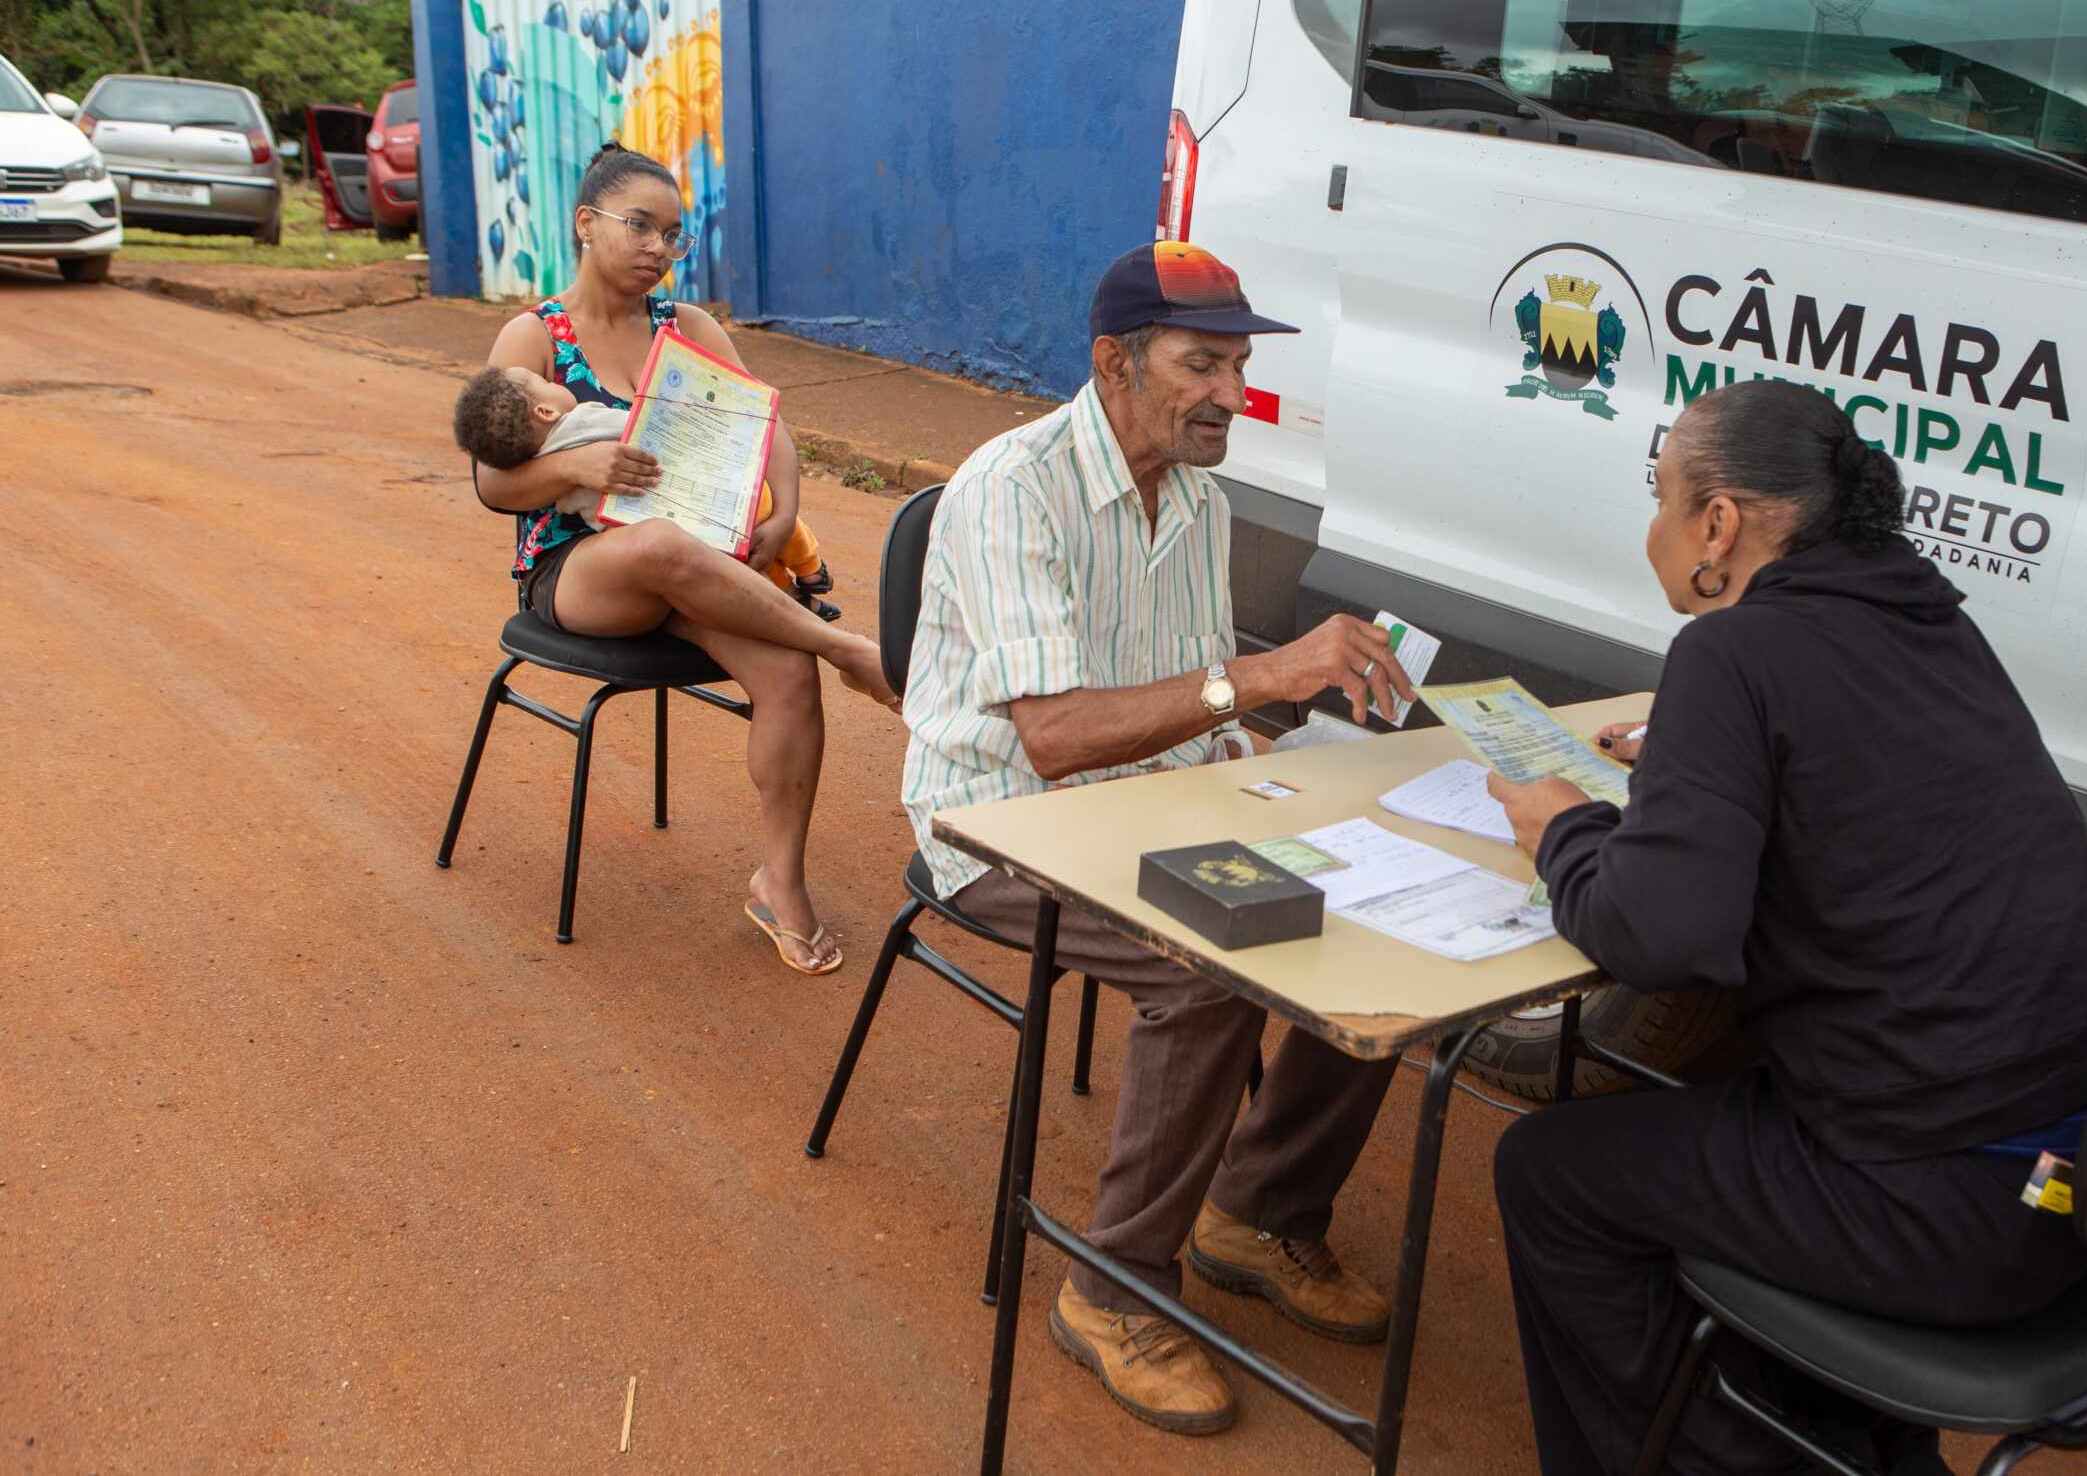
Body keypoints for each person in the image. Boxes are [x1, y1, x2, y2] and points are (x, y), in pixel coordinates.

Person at [1484, 380, 2087, 1476]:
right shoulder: (1929, 622)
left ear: (1719, 524)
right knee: (1730, 1116)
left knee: (1550, 1176)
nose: (1652, 526)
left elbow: (1654, 937)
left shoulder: (1730, 655)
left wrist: (1565, 829)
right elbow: (1871, 783)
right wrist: (1705, 771)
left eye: (1660, 496)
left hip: (1945, 1206)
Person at [900, 240, 1419, 1436]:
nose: (1231, 397)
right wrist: (1263, 679)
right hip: (998, 824)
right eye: (1202, 365)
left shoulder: (1200, 497)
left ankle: (1257, 1209)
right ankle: (1112, 1287)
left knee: (1366, 904)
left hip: (1150, 808)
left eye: (1238, 367)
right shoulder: (1009, 486)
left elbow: (1191, 705)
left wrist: (1275, 767)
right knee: (1209, 966)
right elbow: (1056, 738)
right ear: (1114, 362)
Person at [470, 141, 897, 977]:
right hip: (580, 571)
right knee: (658, 544)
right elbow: (492, 480)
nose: (660, 250)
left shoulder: (688, 328)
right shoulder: (532, 336)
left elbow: (763, 424)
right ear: (587, 224)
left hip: (699, 563)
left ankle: (780, 880)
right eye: (641, 227)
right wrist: (577, 466)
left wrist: (787, 512)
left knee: (783, 671)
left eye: (675, 235)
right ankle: (853, 649)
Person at [451, 363, 843, 619]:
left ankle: (795, 598)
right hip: (682, 507)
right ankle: (810, 573)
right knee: (769, 517)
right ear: (544, 412)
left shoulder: (553, 475)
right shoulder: (584, 420)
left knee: (739, 558)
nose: (554, 381)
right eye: (545, 382)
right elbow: (643, 426)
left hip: (638, 540)